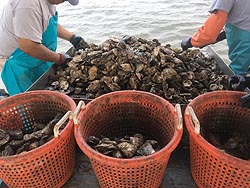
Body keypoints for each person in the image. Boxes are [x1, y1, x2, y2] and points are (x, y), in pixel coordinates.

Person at [0, 0, 88, 96]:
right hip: (17, 65)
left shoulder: (49, 1)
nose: (63, 2)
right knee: (30, 102)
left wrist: (72, 38)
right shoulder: (27, 4)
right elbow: (28, 46)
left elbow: (46, 23)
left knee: (47, 93)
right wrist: (59, 58)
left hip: (38, 58)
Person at [181, 0, 250, 75]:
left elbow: (210, 32)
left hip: (244, 41)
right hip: (243, 32)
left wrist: (192, 41)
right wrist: (222, 34)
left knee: (238, 72)